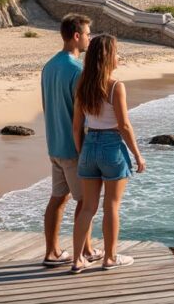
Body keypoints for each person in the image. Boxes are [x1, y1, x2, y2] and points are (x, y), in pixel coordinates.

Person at [70, 34, 147, 273]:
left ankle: (77, 260)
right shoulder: (115, 86)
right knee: (111, 206)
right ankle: (110, 258)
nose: (119, 56)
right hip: (112, 146)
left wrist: (82, 152)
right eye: (116, 52)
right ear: (108, 57)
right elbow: (124, 125)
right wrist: (137, 155)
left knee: (87, 208)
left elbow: (76, 126)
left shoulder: (83, 85)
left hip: (89, 145)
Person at [39, 14, 101, 266]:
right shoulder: (78, 71)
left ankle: (52, 252)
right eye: (87, 34)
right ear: (76, 36)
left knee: (58, 199)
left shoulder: (49, 66)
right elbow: (83, 115)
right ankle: (86, 250)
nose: (89, 39)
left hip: (54, 145)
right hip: (74, 148)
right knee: (86, 202)